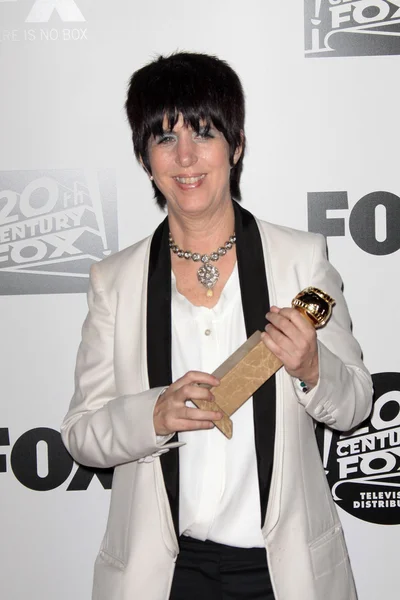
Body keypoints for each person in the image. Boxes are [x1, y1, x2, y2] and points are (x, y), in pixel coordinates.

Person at [61, 52, 373, 600]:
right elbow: (81, 434)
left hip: (283, 573)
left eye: (203, 133)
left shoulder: (300, 259)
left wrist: (312, 368)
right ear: (143, 156)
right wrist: (152, 414)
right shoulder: (115, 280)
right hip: (164, 577)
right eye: (164, 138)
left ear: (237, 144)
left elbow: (353, 404)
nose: (185, 157)